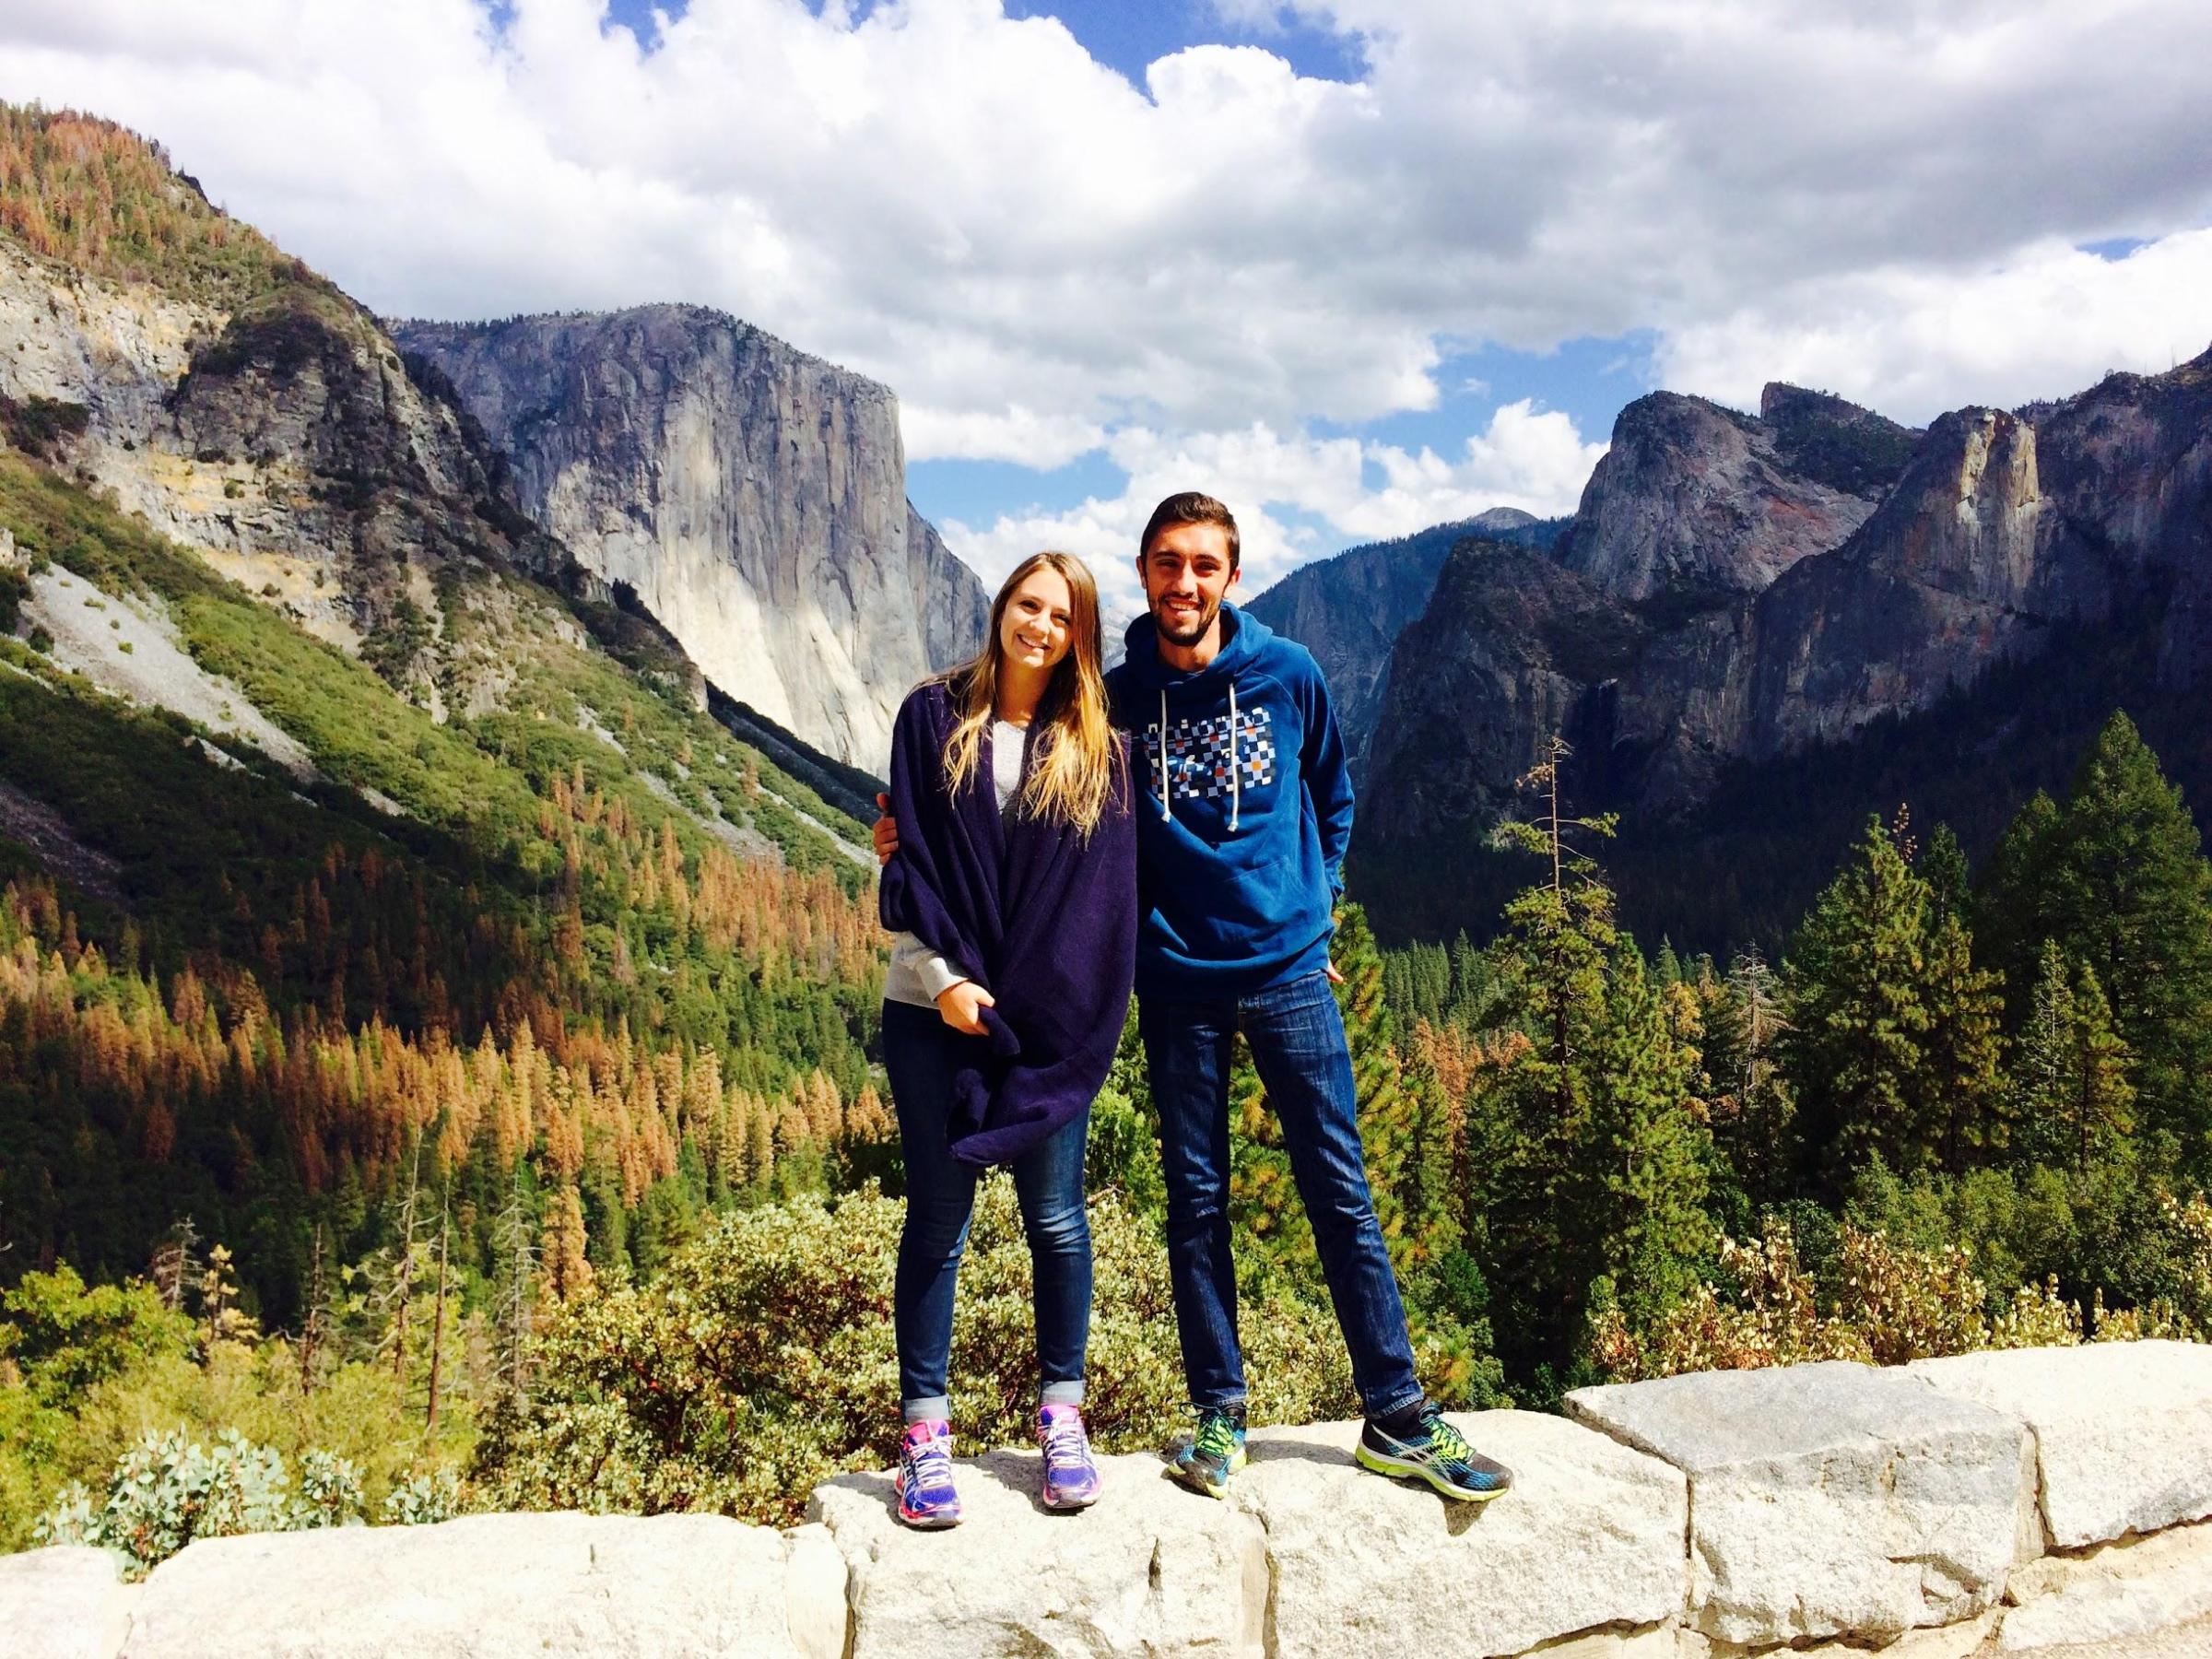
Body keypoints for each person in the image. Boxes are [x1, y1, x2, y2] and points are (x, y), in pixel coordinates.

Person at [878, 494, 1512, 1507]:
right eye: (1168, 565)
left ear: (1232, 575)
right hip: (1176, 987)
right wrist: (899, 845)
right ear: (1142, 574)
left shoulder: (1287, 675)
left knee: (1340, 1193)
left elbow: (1333, 793)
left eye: (1204, 566)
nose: (1185, 584)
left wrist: (1322, 906)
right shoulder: (1112, 704)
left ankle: (1396, 1414)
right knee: (1196, 1205)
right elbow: (1016, 818)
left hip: (1291, 974)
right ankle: (1221, 1418)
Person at [875, 549, 1138, 1530]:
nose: (1040, 625)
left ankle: (1062, 1421)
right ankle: (924, 1439)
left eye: (1062, 615)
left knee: (1057, 1220)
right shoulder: (931, 718)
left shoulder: (1097, 749)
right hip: (929, 1012)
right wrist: (944, 983)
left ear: (1081, 635)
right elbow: (909, 877)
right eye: (1028, 604)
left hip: (1045, 1028)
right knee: (938, 1225)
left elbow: (1102, 901)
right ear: (1001, 609)